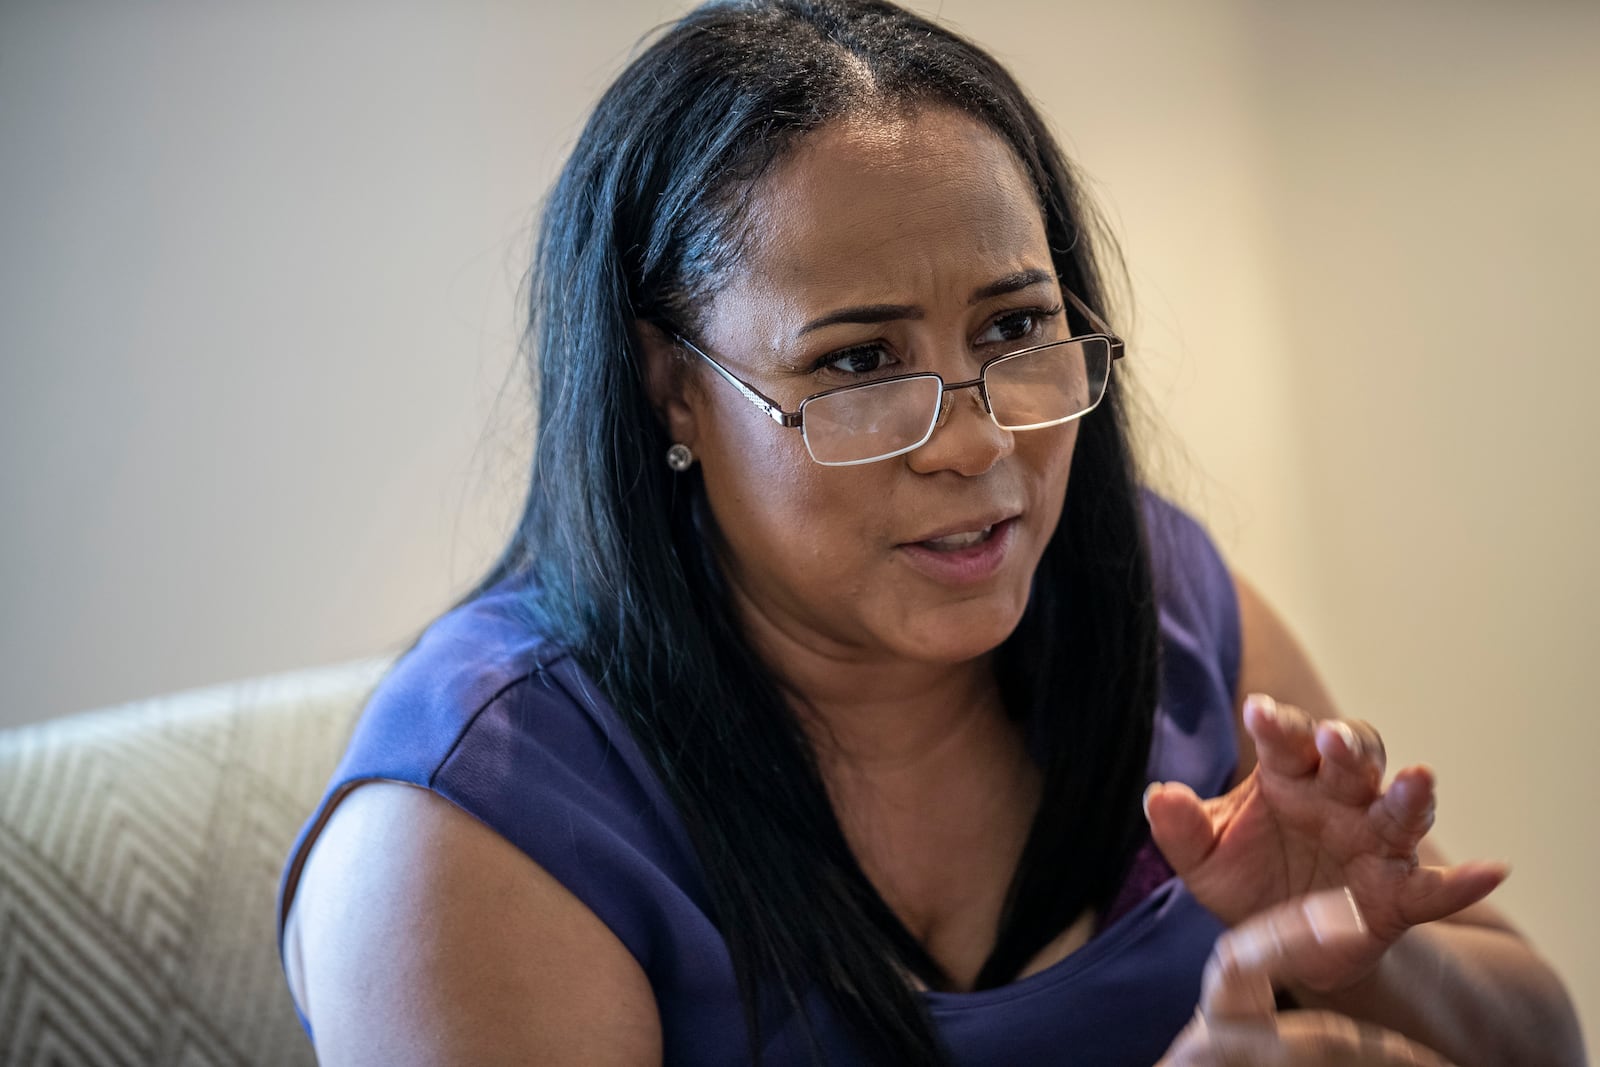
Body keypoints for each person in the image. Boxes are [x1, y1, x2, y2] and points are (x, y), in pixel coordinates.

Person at [276, 1, 1584, 1063]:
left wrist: (1357, 937)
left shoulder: (1165, 599)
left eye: (1016, 329)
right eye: (855, 364)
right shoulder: (469, 823)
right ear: (668, 388)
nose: (975, 442)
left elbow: (1542, 1037)